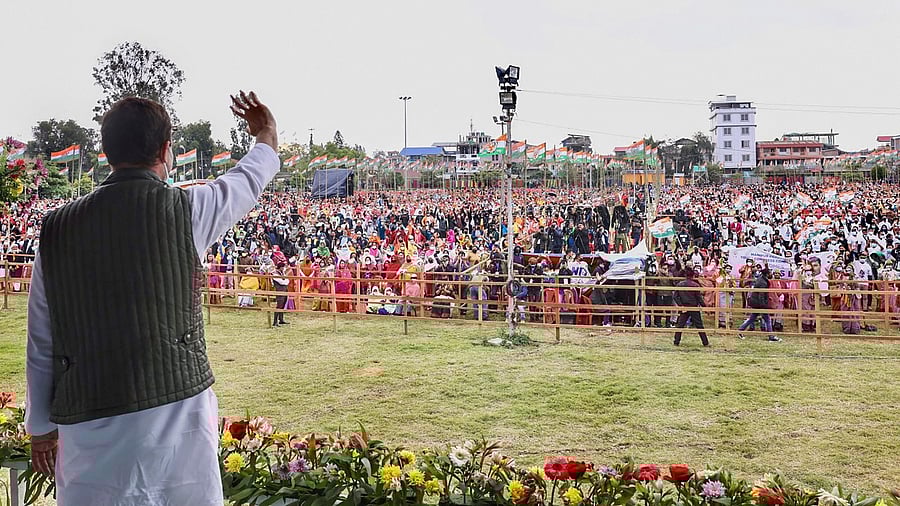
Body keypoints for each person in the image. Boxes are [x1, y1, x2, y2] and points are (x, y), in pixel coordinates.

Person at [25, 91, 279, 504]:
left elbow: (41, 338)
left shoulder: (55, 229)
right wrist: (265, 133)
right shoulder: (189, 209)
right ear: (166, 150)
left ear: (106, 152)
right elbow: (247, 179)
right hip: (179, 428)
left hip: (88, 432)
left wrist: (39, 428)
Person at [737, 266, 781, 342]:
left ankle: (740, 330)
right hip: (759, 304)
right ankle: (771, 336)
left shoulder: (762, 279)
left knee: (752, 319)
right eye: (770, 272)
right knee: (767, 320)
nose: (771, 274)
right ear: (767, 274)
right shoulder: (763, 282)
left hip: (756, 303)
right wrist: (764, 305)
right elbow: (761, 295)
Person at [672, 268, 710, 347]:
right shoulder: (695, 285)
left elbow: (675, 296)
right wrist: (705, 307)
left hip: (684, 307)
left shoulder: (680, 284)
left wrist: (681, 305)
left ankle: (676, 341)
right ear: (693, 275)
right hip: (694, 307)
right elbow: (699, 299)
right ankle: (705, 342)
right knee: (699, 325)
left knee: (680, 325)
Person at [272, 260, 290, 326]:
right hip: (279, 291)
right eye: (283, 267)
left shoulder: (282, 273)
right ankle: (275, 321)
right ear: (280, 267)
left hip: (284, 290)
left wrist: (285, 280)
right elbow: (283, 282)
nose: (283, 268)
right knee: (279, 306)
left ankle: (281, 319)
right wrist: (285, 280)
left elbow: (287, 280)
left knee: (283, 305)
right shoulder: (275, 274)